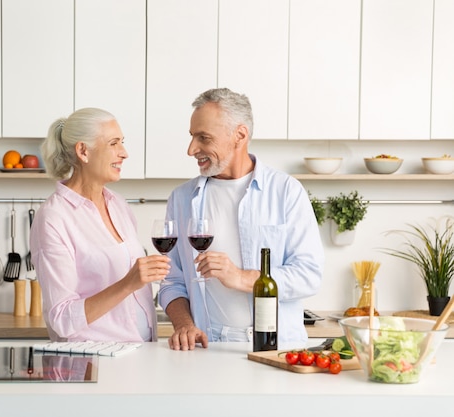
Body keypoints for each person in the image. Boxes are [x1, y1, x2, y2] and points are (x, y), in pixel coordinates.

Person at [157, 88, 324, 351]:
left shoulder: (286, 191)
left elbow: (309, 275)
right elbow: (171, 281)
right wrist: (183, 325)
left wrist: (241, 277)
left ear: (240, 135)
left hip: (278, 348)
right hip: (208, 350)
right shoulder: (181, 199)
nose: (191, 149)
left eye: (204, 137)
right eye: (192, 137)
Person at [30, 107, 171, 342]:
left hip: (139, 355)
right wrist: (128, 283)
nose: (124, 153)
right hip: (92, 363)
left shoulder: (119, 205)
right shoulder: (54, 217)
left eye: (122, 142)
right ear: (83, 151)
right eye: (114, 143)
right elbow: (62, 319)